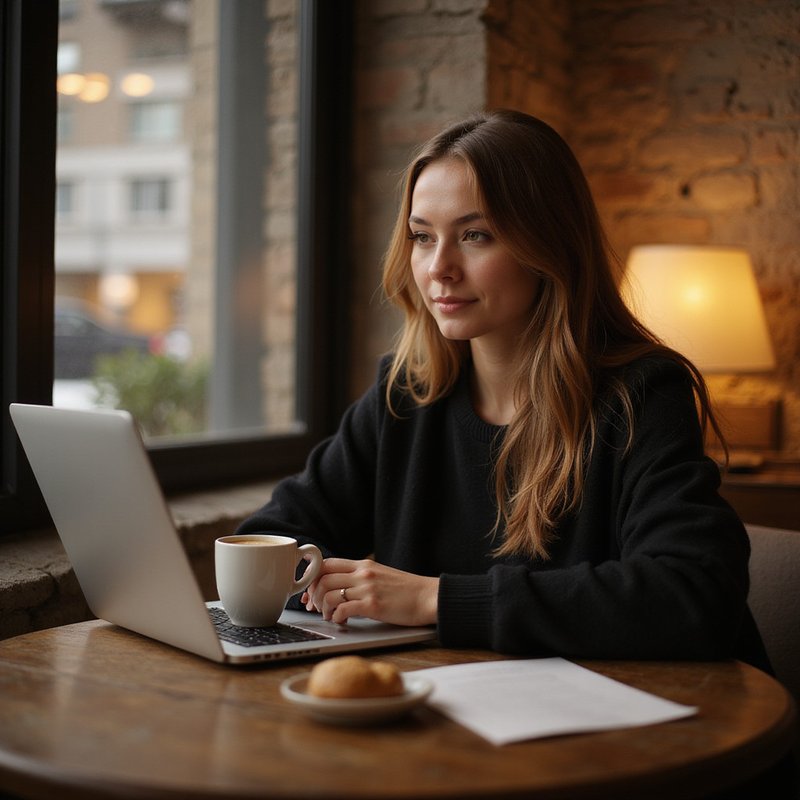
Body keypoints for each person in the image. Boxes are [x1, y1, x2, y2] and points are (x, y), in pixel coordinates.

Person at [237, 109, 769, 669]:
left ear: (549, 247)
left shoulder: (642, 396)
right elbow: (271, 540)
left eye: (475, 235)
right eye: (422, 237)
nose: (439, 268)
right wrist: (330, 587)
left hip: (648, 727)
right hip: (460, 715)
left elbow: (693, 593)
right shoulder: (406, 394)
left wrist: (434, 599)